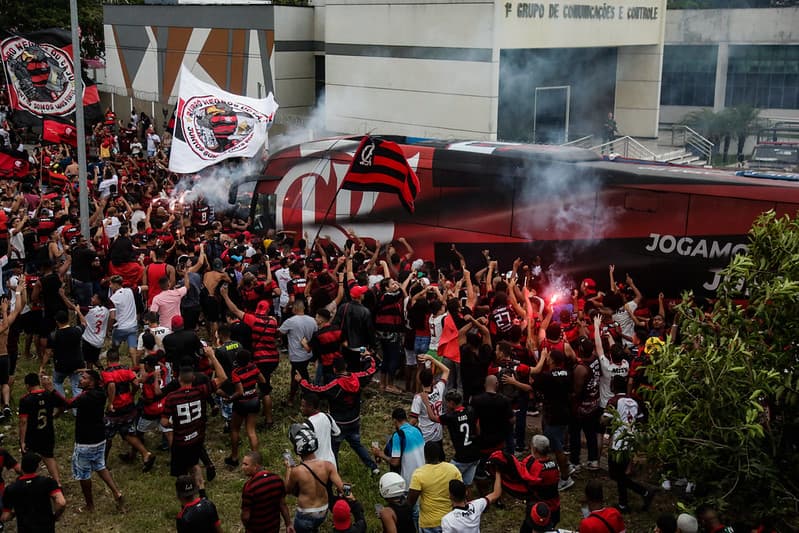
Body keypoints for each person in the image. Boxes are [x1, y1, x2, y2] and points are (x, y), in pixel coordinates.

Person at [298, 355, 380, 475]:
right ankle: (373, 467)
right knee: (357, 444)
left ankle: (334, 473)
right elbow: (371, 370)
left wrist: (301, 381)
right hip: (354, 420)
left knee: (333, 450)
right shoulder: (358, 378)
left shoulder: (335, 385)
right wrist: (368, 356)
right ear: (346, 366)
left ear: (334, 369)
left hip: (338, 423)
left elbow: (317, 390)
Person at [161, 347, 228, 492]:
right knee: (195, 463)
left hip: (180, 441)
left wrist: (174, 423)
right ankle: (202, 491)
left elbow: (164, 422)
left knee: (181, 473)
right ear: (193, 378)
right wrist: (212, 356)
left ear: (178, 378)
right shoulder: (200, 391)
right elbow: (223, 378)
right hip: (197, 436)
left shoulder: (172, 397)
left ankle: (186, 495)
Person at [220, 286, 278, 428]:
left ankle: (268, 419)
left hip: (261, 357)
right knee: (265, 385)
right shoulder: (273, 321)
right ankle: (265, 412)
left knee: (264, 390)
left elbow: (235, 311)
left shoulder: (253, 320)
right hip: (273, 357)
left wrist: (225, 296)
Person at [66, 369, 124, 511]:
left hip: (85, 441)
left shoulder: (86, 397)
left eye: (84, 378)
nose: (80, 380)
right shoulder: (100, 393)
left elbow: (67, 403)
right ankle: (117, 492)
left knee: (83, 473)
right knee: (100, 465)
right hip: (99, 438)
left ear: (91, 382)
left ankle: (89, 505)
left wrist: (52, 391)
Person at [603, 375, 653, 512]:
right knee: (620, 475)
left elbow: (604, 420)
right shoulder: (634, 401)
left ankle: (644, 492)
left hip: (618, 444)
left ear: (613, 387)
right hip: (630, 442)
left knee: (615, 474)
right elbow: (642, 421)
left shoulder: (613, 401)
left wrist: (606, 419)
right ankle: (623, 504)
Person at [284, 423, 346, 533]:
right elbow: (342, 487)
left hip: (306, 514)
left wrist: (289, 468)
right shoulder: (328, 465)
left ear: (298, 448)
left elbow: (287, 490)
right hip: (323, 511)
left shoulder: (297, 471)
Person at [101, 348, 156, 471]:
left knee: (107, 436)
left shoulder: (106, 373)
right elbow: (136, 383)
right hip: (129, 406)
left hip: (115, 408)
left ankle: (102, 462)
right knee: (128, 433)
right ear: (118, 358)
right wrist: (132, 393)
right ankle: (145, 454)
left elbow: (111, 385)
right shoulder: (126, 369)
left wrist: (110, 402)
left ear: (108, 360)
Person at [18, 373, 67, 485]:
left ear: (27, 385)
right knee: (49, 457)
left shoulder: (25, 400)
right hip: (47, 432)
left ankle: (26, 483)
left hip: (32, 434)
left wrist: (22, 441)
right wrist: (56, 415)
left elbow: (23, 421)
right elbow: (62, 405)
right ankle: (57, 483)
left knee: (28, 460)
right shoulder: (48, 394)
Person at [0, 452, 65, 533]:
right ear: (37, 468)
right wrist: (56, 516)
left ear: (22, 468)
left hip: (25, 529)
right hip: (46, 527)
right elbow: (61, 503)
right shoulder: (48, 482)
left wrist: (14, 513)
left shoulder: (11, 489)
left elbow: (5, 517)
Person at [408, 441, 463, 533]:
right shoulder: (452, 469)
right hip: (451, 519)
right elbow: (461, 493)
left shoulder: (419, 474)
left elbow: (411, 501)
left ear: (425, 455)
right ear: (439, 453)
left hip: (429, 524)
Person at [224, 349, 265, 466]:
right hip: (254, 400)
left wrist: (230, 399)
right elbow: (262, 380)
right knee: (251, 431)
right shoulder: (253, 367)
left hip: (242, 403)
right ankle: (256, 461)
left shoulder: (236, 372)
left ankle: (234, 457)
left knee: (235, 429)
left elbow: (240, 392)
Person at [436, 389, 481, 487]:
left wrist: (427, 403)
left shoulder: (450, 417)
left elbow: (433, 418)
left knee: (447, 483)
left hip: (462, 458)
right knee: (467, 484)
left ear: (451, 403)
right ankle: (467, 501)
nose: (446, 405)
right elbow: (478, 430)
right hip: (475, 454)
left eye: (447, 403)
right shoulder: (471, 411)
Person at [240, 450, 292, 533]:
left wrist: (247, 527)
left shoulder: (249, 487)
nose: (242, 467)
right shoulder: (277, 479)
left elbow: (246, 516)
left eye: (246, 464)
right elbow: (282, 504)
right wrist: (288, 524)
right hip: (274, 528)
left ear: (255, 466)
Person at [279, 299, 318, 406]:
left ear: (295, 308)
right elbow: (316, 335)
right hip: (308, 353)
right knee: (300, 374)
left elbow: (280, 332)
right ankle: (297, 396)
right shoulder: (313, 320)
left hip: (297, 356)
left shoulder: (290, 321)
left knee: (298, 377)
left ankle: (305, 398)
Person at [39, 310, 84, 401]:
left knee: (57, 382)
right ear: (68, 320)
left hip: (61, 365)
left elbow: (47, 353)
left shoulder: (53, 335)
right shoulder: (77, 331)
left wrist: (42, 366)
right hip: (77, 364)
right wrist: (78, 311)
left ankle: (61, 404)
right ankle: (77, 410)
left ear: (57, 322)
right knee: (77, 386)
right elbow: (84, 323)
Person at [410, 353, 449, 456]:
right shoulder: (439, 389)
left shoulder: (418, 398)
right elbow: (446, 370)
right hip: (438, 435)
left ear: (420, 381)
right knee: (440, 459)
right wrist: (432, 359)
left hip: (425, 436)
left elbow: (413, 420)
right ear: (432, 380)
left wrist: (404, 429)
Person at [300, 391, 340, 467]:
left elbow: (304, 449)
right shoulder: (327, 416)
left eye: (303, 406)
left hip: (317, 467)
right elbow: (337, 432)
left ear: (310, 407)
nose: (301, 408)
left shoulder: (306, 425)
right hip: (331, 463)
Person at [76, 295, 111, 370]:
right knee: (94, 359)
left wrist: (63, 296)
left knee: (89, 362)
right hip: (99, 340)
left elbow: (72, 307)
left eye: (94, 298)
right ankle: (103, 372)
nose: (91, 298)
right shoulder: (106, 311)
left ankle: (90, 377)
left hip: (89, 340)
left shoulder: (90, 311)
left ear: (99, 301)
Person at [108, 274, 139, 352]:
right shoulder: (130, 290)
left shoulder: (112, 298)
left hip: (120, 328)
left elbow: (112, 317)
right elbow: (145, 287)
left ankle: (115, 362)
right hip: (133, 326)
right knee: (132, 347)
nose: (110, 286)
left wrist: (109, 328)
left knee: (115, 348)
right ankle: (135, 364)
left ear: (116, 284)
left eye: (111, 284)